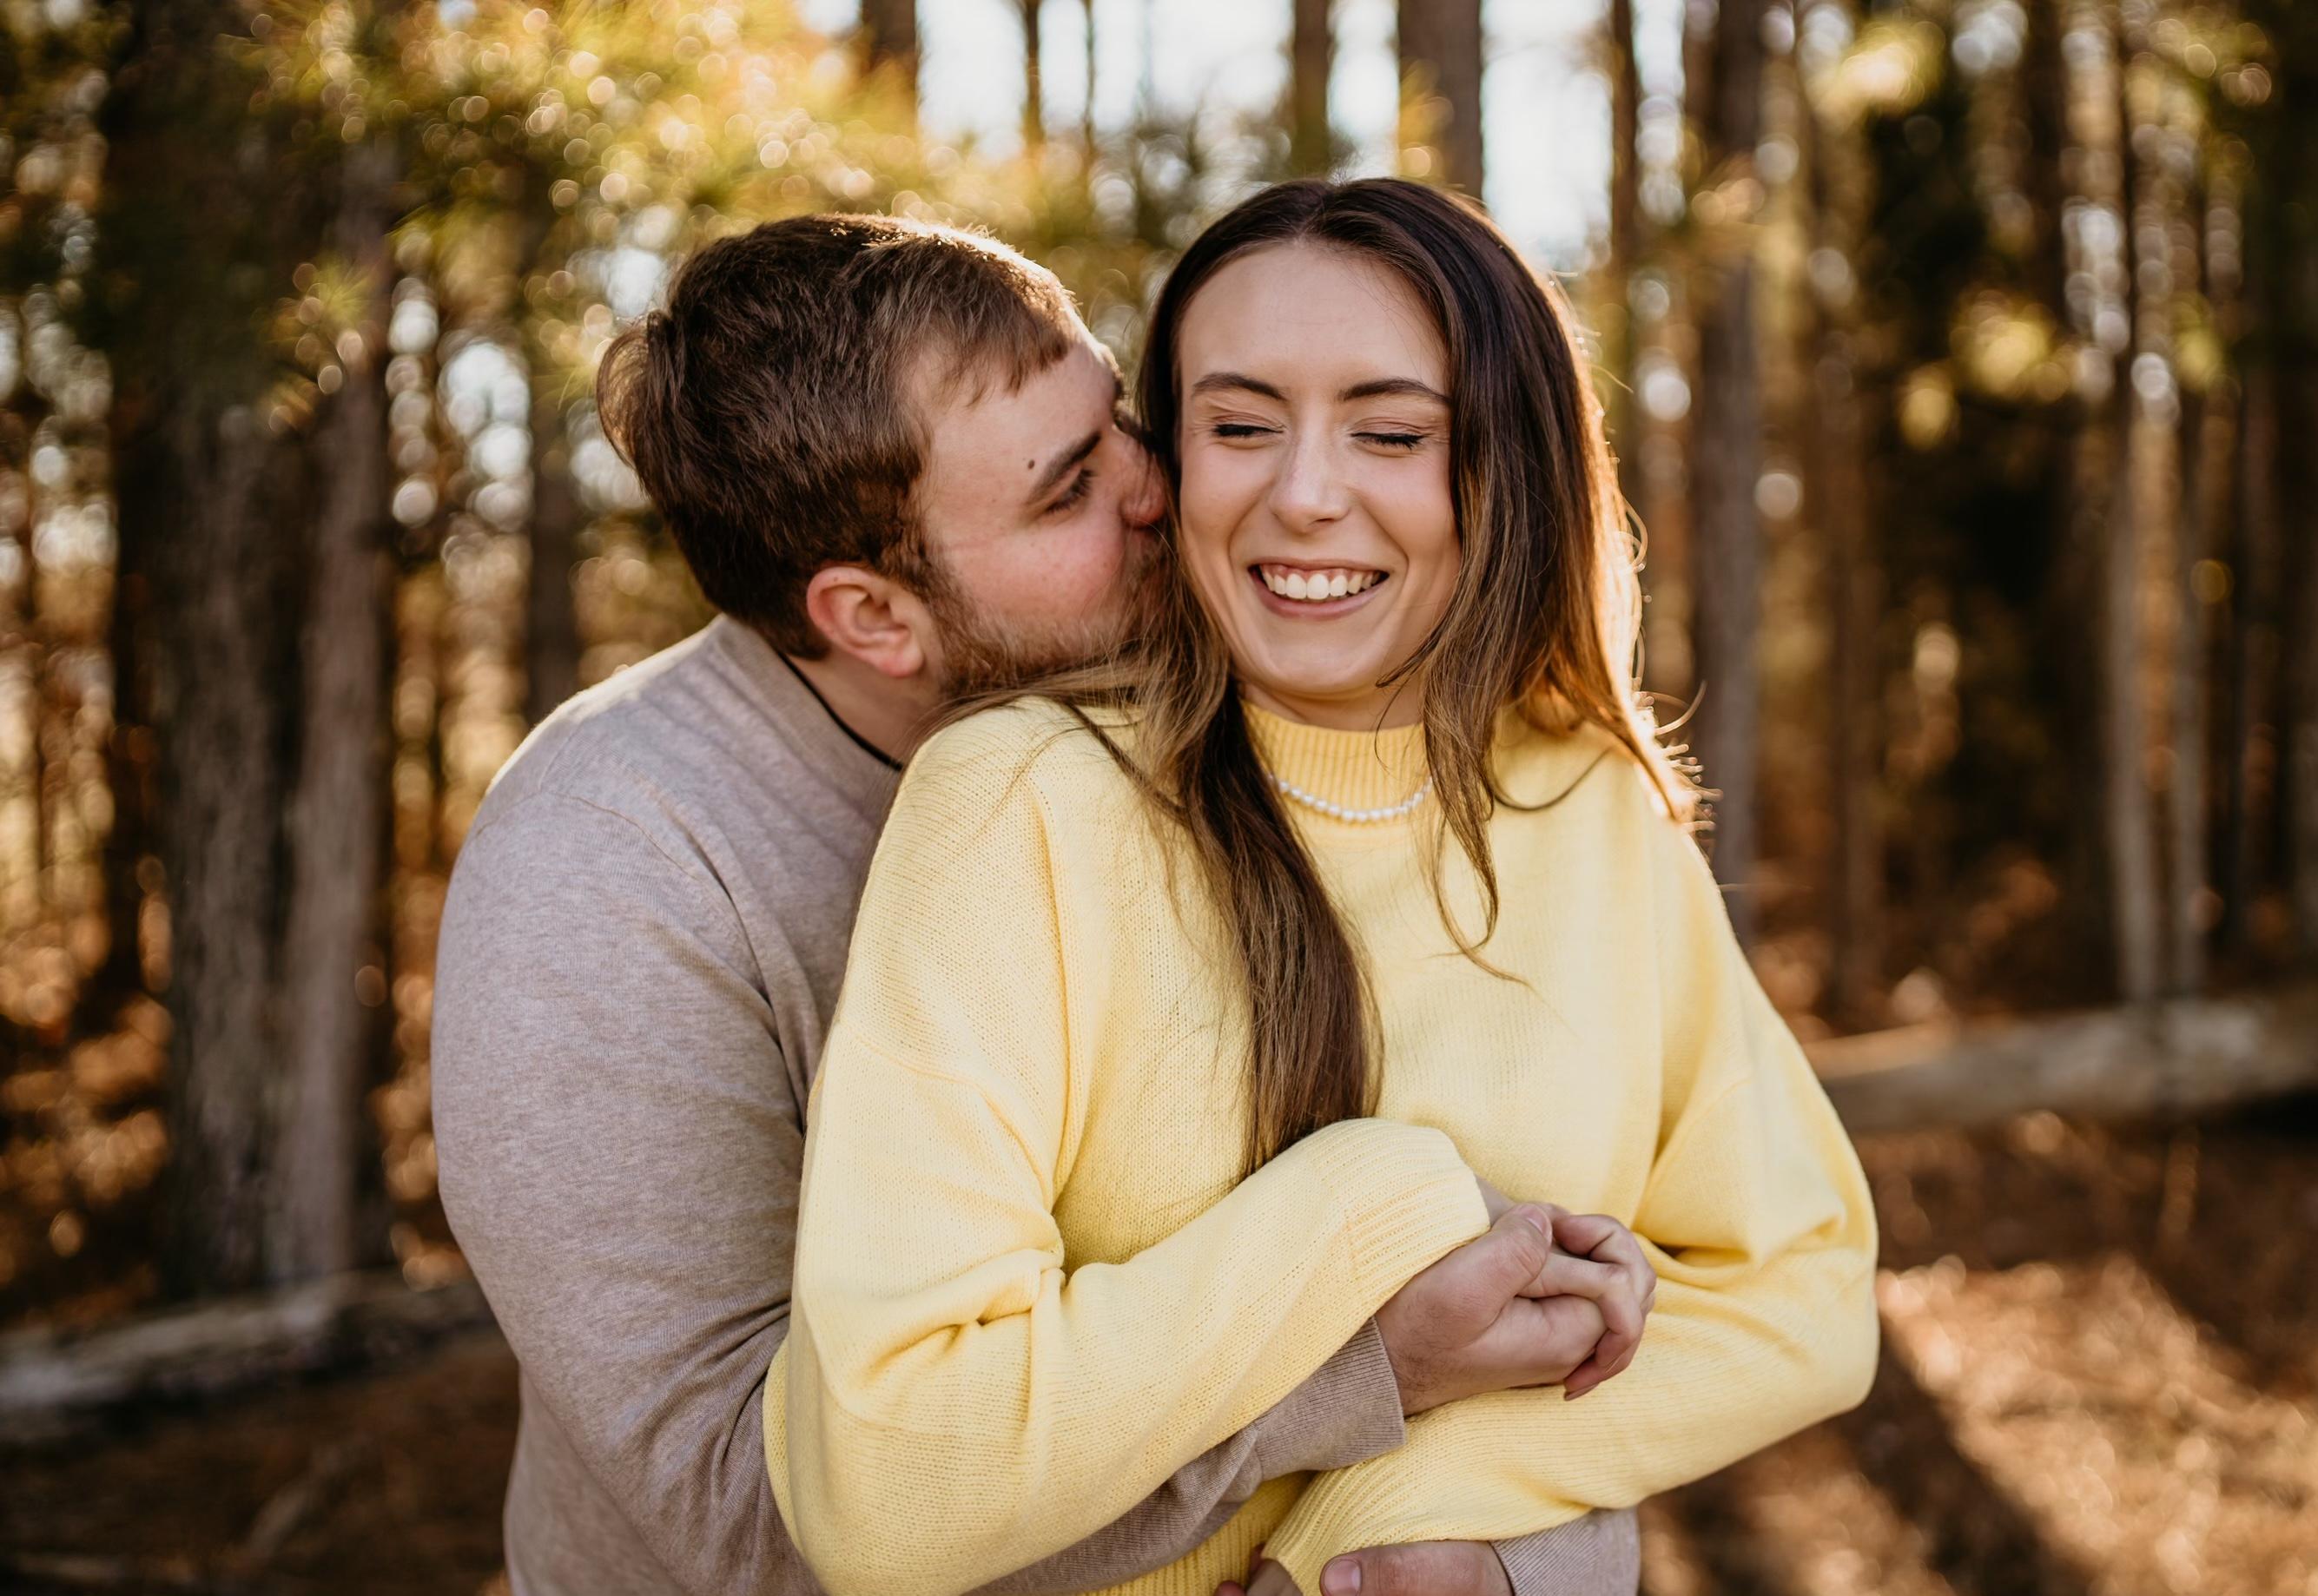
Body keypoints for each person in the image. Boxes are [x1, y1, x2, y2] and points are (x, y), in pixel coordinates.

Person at [432, 213, 1641, 1596]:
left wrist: (1525, 1555)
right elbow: (769, 1528)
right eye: (1066, 493)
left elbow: (1557, 1252)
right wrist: (1354, 1373)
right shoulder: (605, 875)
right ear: (875, 618)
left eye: (1120, 416)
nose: (1154, 484)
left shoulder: (1226, 707)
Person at [771, 179, 1883, 1596]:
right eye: (1238, 426)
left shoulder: (1587, 797)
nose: (1301, 492)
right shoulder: (1022, 804)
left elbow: (1801, 1286)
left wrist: (1435, 1506)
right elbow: (881, 1479)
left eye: (1391, 432)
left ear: (1507, 466)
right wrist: (1361, 1208)